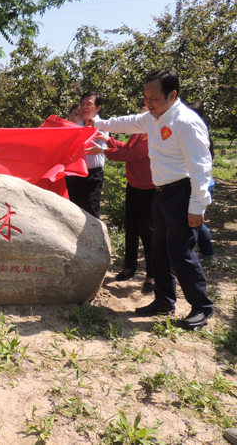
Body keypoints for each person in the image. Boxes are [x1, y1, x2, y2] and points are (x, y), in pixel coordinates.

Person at [87, 69, 213, 328]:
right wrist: (99, 123)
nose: (147, 104)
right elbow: (128, 121)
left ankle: (201, 306)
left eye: (153, 98)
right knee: (159, 251)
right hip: (161, 192)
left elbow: (201, 166)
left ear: (172, 95)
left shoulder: (185, 122)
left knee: (180, 252)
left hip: (182, 191)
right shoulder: (153, 118)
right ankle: (164, 301)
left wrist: (198, 205)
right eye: (145, 98)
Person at [87, 102, 155, 294]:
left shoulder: (152, 137)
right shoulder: (138, 133)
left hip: (148, 189)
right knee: (131, 227)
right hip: (133, 185)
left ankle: (151, 274)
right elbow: (126, 148)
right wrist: (108, 141)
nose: (141, 116)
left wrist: (101, 151)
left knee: (147, 231)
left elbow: (131, 155)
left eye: (144, 114)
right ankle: (130, 267)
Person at [65, 91, 107, 218]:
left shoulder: (103, 126)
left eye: (89, 104)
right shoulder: (76, 127)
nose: (84, 107)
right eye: (82, 104)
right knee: (72, 213)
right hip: (73, 174)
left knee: (90, 213)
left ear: (98, 107)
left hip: (92, 176)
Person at [186, 101, 215, 261]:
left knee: (196, 220)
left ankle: (207, 253)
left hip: (200, 184)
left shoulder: (196, 134)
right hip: (204, 183)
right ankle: (206, 252)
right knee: (196, 220)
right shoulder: (203, 133)